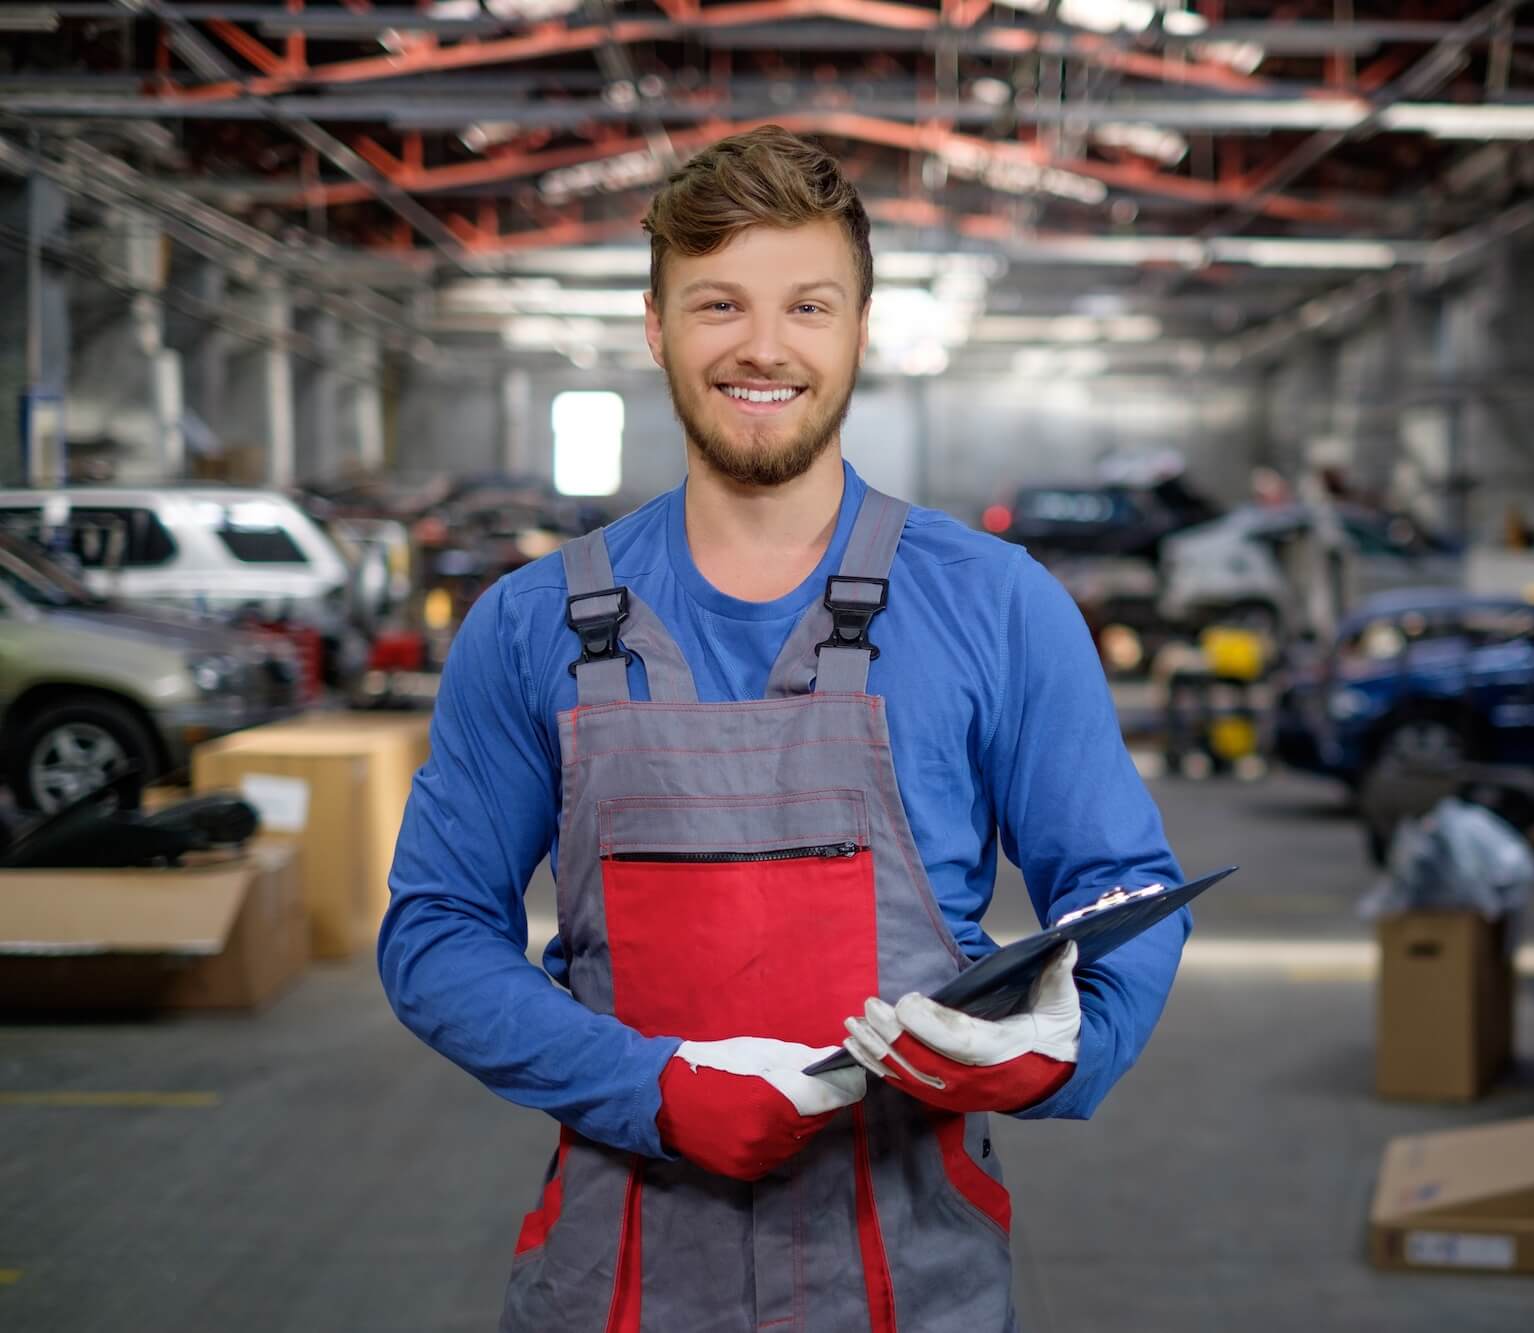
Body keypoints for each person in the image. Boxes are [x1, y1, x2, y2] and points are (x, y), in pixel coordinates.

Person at [378, 124, 1189, 1332]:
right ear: (657, 327)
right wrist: (650, 1084)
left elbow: (1118, 885)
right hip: (616, 1285)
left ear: (860, 331)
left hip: (911, 1284)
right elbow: (436, 931)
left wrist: (1055, 1051)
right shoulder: (527, 625)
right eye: (718, 304)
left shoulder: (994, 604)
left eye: (808, 306)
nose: (763, 347)